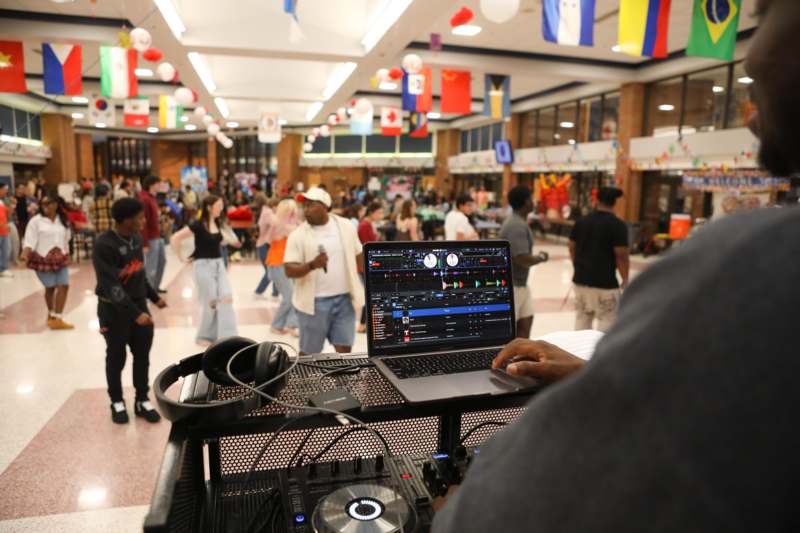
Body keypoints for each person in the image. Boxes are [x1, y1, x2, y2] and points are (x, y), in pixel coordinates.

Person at [432, 4, 800, 531]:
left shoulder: (750, 266)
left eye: (765, 13)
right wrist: (600, 374)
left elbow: (545, 489)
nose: (746, 100)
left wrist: (454, 509)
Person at [92, 198, 166, 424]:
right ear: (126, 219)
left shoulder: (135, 239)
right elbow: (110, 285)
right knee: (116, 357)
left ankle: (142, 400)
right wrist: (135, 314)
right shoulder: (104, 244)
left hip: (138, 306)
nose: (144, 221)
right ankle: (117, 401)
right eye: (140, 217)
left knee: (142, 356)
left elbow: (139, 274)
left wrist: (153, 298)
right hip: (113, 309)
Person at [284, 187, 364, 354]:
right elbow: (289, 270)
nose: (306, 210)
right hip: (313, 303)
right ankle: (304, 381)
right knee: (309, 355)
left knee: (344, 350)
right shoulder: (298, 235)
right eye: (304, 206)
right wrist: (312, 265)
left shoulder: (346, 226)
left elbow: (359, 256)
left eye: (310, 205)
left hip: (344, 300)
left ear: (325, 206)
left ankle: (343, 381)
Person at [170, 194, 238, 346]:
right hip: (202, 266)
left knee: (227, 297)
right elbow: (175, 238)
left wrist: (230, 241)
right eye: (218, 206)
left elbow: (220, 241)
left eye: (222, 206)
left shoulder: (219, 223)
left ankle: (228, 336)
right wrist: (181, 257)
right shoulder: (198, 225)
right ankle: (204, 336)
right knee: (211, 302)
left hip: (219, 264)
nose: (221, 209)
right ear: (209, 207)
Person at [568, 187, 629, 332]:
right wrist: (625, 278)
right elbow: (621, 255)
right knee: (607, 323)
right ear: (614, 203)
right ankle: (600, 354)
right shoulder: (618, 225)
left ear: (597, 201)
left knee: (582, 320)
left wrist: (577, 266)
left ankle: (579, 352)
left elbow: (571, 246)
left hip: (580, 281)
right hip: (605, 283)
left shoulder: (581, 222)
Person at [19, 193, 74, 329]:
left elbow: (66, 238)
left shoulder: (62, 220)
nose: (45, 206)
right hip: (41, 258)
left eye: (48, 203)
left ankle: (58, 318)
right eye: (43, 204)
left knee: (64, 285)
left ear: (56, 204)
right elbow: (29, 239)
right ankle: (51, 314)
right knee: (50, 287)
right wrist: (25, 253)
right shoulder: (36, 221)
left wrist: (67, 253)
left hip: (60, 257)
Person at [498, 186, 547, 339]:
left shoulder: (518, 222)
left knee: (526, 322)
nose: (534, 202)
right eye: (532, 199)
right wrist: (541, 258)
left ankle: (523, 358)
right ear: (526, 202)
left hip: (521, 284)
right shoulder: (516, 225)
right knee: (512, 331)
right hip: (512, 286)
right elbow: (521, 258)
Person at [265, 198, 301, 336]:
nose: (293, 215)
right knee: (289, 296)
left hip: (287, 264)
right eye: (290, 212)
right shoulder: (279, 225)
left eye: (294, 212)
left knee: (293, 295)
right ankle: (276, 325)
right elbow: (285, 232)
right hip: (276, 264)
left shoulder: (290, 225)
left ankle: (291, 325)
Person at [356, 201, 385, 333]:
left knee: (369, 294)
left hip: (366, 264)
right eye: (379, 212)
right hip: (363, 265)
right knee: (368, 294)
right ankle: (362, 324)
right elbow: (367, 246)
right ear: (372, 212)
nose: (381, 215)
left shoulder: (367, 224)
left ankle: (363, 324)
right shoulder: (364, 225)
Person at [139, 176, 167, 294]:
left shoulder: (152, 198)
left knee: (162, 261)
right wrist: (144, 243)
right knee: (151, 266)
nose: (160, 185)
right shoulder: (144, 198)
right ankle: (149, 291)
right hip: (150, 238)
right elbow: (142, 222)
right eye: (158, 183)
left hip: (157, 236)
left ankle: (155, 286)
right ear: (151, 184)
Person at [254, 197, 277, 297]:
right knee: (270, 271)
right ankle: (259, 291)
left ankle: (275, 292)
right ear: (274, 206)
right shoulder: (268, 213)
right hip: (264, 245)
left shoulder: (266, 212)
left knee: (274, 269)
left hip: (265, 245)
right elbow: (276, 223)